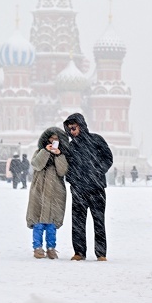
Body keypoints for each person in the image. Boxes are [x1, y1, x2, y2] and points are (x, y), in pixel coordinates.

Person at [63, 112, 113, 261]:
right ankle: (79, 252)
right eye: (70, 129)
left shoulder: (96, 140)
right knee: (77, 223)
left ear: (81, 126)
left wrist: (98, 171)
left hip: (96, 189)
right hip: (78, 190)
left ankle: (101, 253)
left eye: (74, 127)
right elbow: (67, 165)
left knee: (99, 222)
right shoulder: (71, 147)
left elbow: (108, 158)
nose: (72, 131)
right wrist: (72, 180)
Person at [27, 127, 69, 260]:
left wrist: (58, 155)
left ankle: (51, 248)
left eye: (57, 139)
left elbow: (62, 171)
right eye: (52, 138)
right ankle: (37, 248)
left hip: (55, 192)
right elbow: (37, 165)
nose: (54, 141)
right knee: (38, 222)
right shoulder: (39, 152)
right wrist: (46, 151)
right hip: (39, 190)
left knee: (51, 224)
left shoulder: (62, 155)